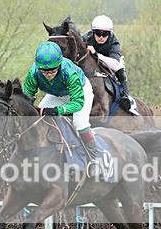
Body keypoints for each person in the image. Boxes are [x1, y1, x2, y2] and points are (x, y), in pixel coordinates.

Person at [22, 41, 105, 177]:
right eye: (44, 71)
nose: (49, 75)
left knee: (80, 123)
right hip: (56, 94)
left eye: (53, 71)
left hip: (80, 92)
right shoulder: (33, 73)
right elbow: (26, 98)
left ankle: (96, 159)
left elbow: (77, 103)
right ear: (38, 68)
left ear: (59, 65)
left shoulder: (69, 73)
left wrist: (57, 110)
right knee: (38, 119)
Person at [83, 14, 134, 111]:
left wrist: (96, 54)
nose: (101, 37)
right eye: (98, 33)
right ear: (93, 32)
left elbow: (115, 64)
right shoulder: (86, 39)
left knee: (121, 69)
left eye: (105, 34)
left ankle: (126, 96)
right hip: (90, 64)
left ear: (109, 34)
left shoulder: (114, 42)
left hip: (109, 62)